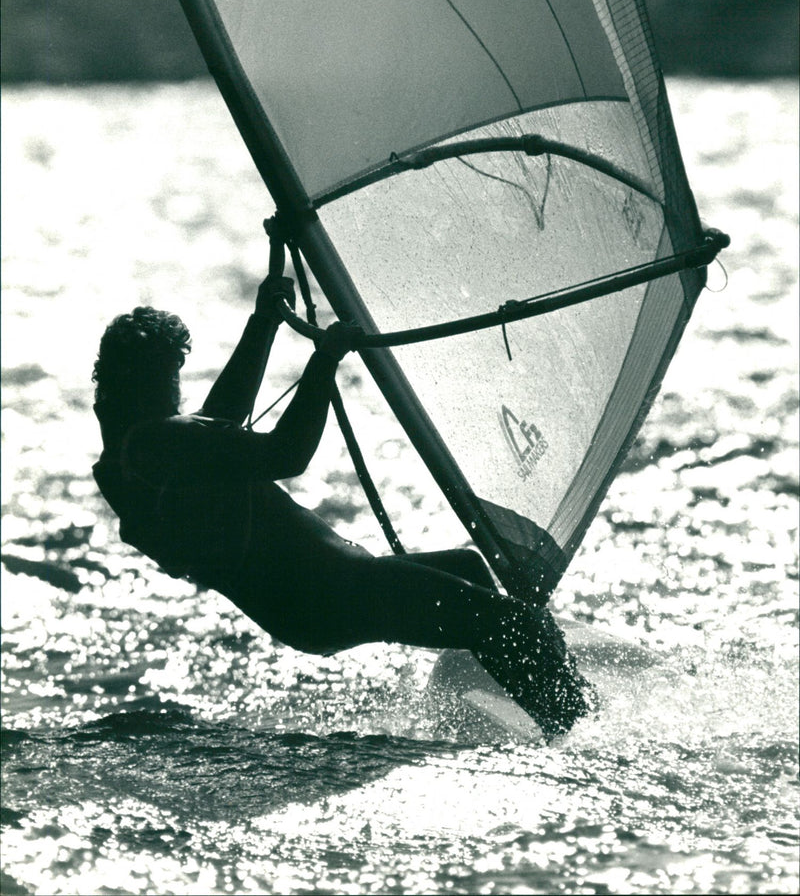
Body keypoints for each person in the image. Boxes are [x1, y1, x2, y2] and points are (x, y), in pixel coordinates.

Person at [92, 272, 594, 739]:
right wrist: (325, 360)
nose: (176, 390)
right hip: (334, 590)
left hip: (309, 605)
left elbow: (219, 418)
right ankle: (581, 733)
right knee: (514, 622)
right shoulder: (160, 441)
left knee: (467, 568)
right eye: (169, 377)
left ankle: (531, 702)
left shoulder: (127, 458)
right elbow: (286, 455)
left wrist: (263, 322)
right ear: (146, 383)